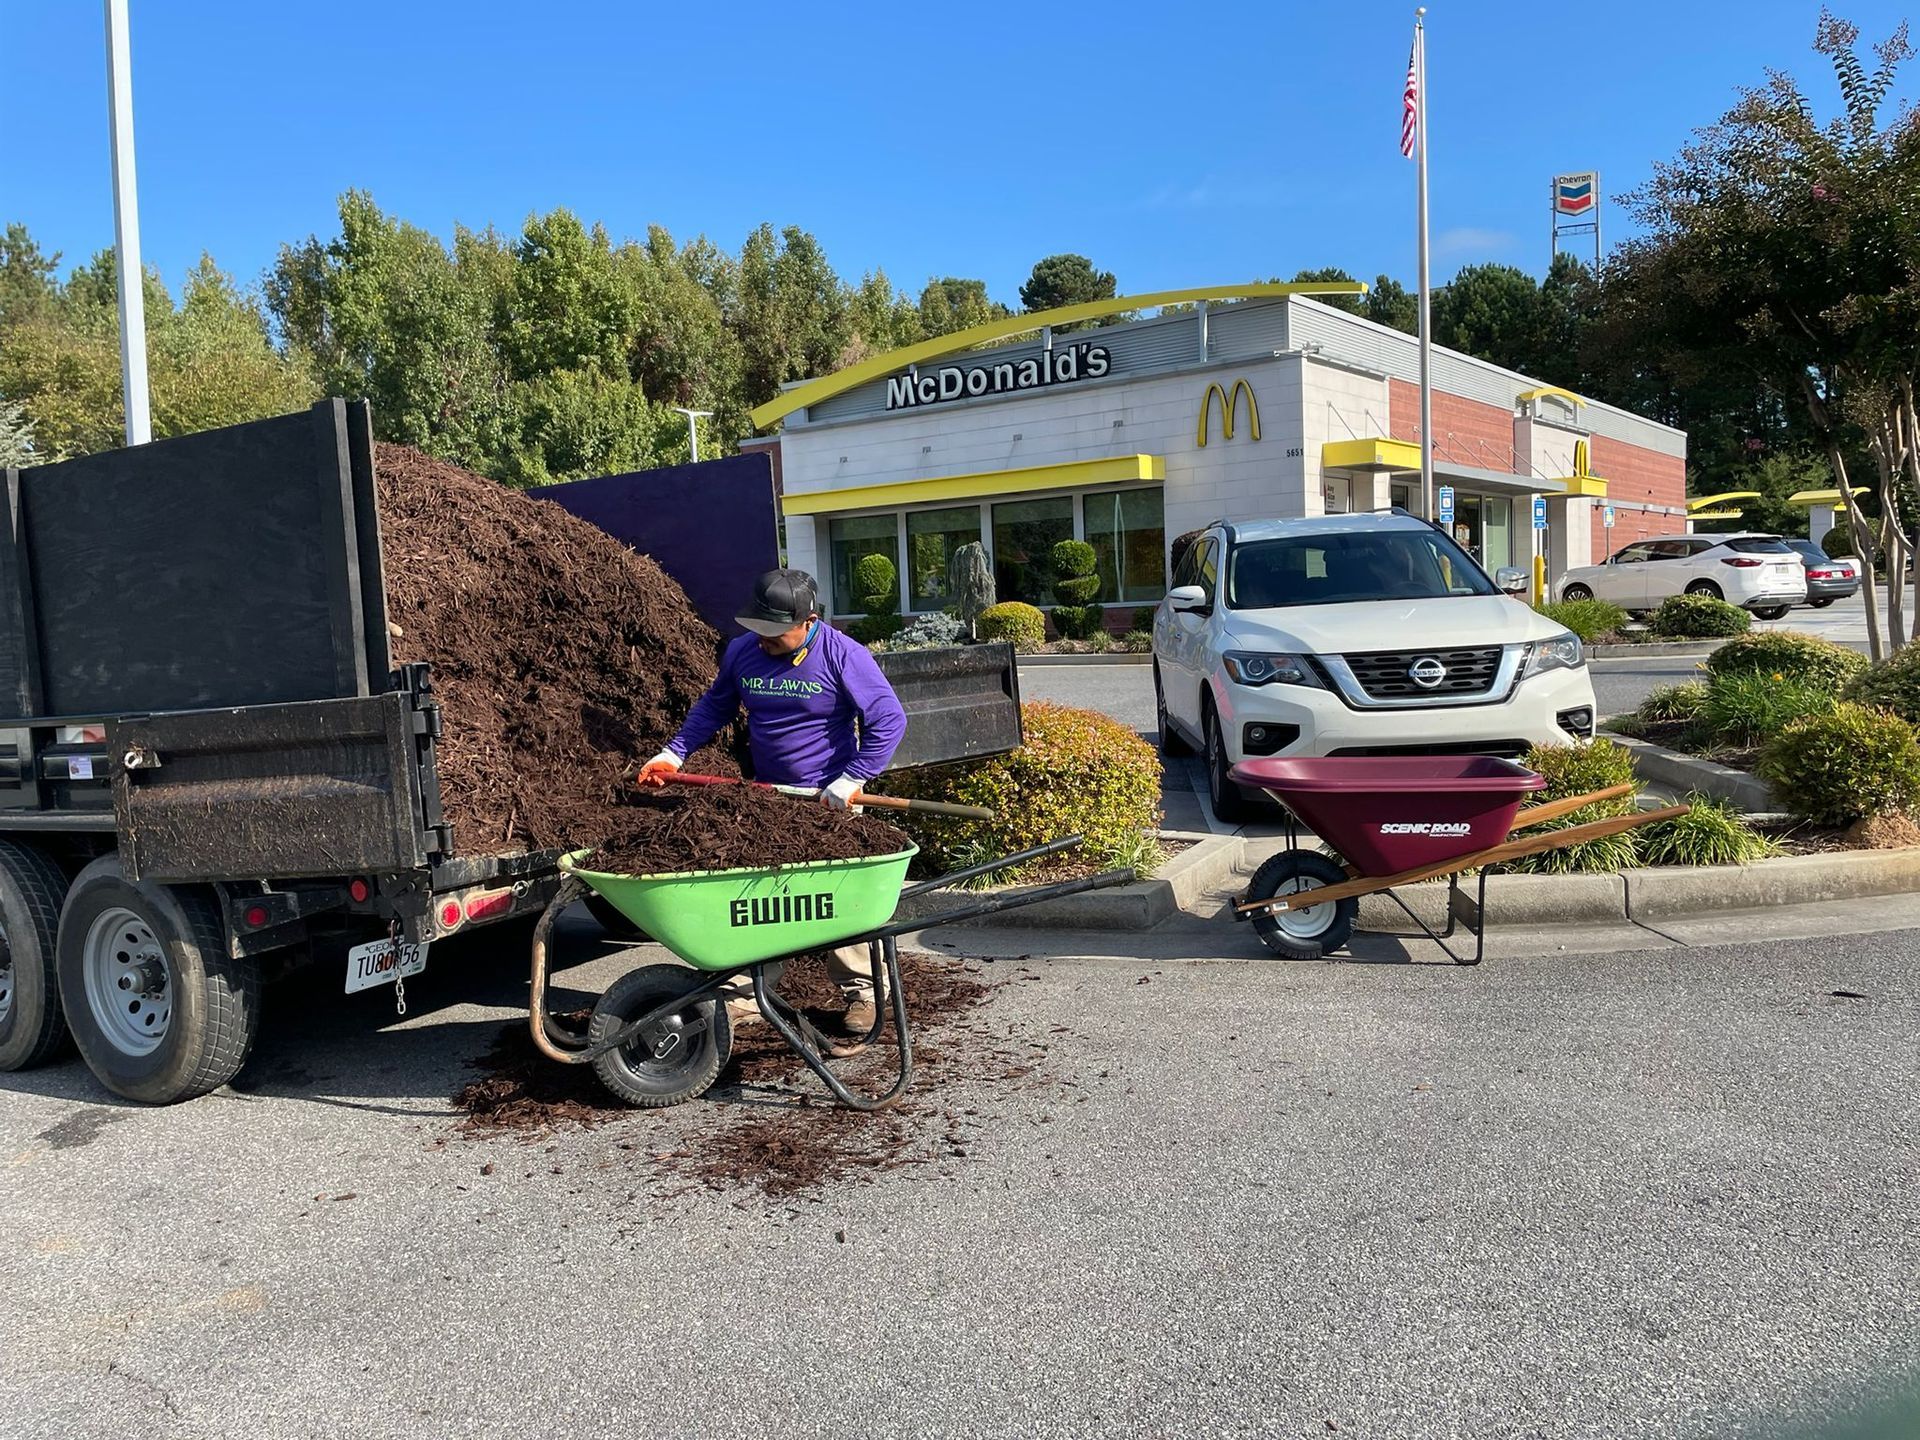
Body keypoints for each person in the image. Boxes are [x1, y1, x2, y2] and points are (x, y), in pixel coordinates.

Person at [639, 568, 907, 1047]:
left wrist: (852, 778)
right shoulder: (744, 652)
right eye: (757, 628)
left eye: (774, 632)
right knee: (763, 898)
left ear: (808, 621)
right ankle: (747, 994)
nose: (762, 640)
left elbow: (889, 720)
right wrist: (675, 751)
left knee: (840, 897)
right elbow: (716, 706)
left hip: (830, 801)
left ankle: (865, 992)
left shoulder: (843, 656)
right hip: (769, 801)